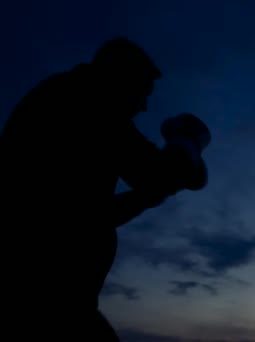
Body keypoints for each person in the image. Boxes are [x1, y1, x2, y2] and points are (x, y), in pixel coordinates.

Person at [0, 37, 208, 340]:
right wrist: (185, 142)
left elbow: (84, 215)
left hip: (49, 289)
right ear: (121, 78)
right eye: (143, 92)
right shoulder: (92, 104)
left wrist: (153, 188)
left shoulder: (70, 95)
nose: (144, 106)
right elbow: (159, 176)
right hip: (44, 293)